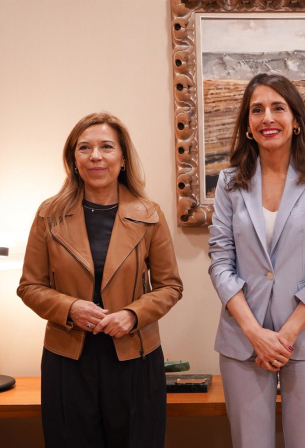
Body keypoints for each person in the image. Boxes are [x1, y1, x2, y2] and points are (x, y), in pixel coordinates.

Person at [18, 112, 183, 448]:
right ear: (73, 160)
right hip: (68, 360)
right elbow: (30, 286)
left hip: (135, 357)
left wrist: (133, 314)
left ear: (122, 160)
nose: (95, 156)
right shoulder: (49, 215)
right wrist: (69, 308)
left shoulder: (149, 215)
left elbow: (170, 286)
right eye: (85, 148)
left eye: (106, 147)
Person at [208, 73, 305, 448]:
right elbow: (220, 261)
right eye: (257, 110)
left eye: (277, 108)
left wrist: (284, 337)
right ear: (247, 125)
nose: (267, 118)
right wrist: (255, 333)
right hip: (243, 341)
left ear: (296, 121)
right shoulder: (228, 183)